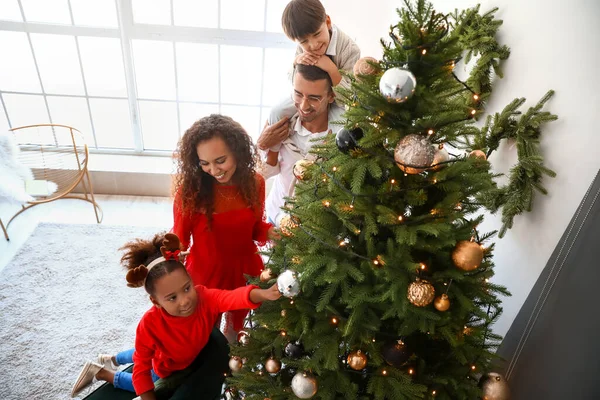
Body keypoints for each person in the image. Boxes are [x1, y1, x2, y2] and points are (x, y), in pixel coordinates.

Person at [71, 233, 281, 399]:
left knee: (140, 351)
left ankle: (112, 358)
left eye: (187, 288)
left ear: (191, 279)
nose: (185, 300)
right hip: (165, 366)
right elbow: (141, 369)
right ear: (156, 302)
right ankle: (100, 372)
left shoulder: (204, 297)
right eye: (172, 298)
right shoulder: (150, 324)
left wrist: (262, 293)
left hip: (179, 353)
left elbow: (232, 297)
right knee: (145, 380)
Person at [172, 114, 278, 341]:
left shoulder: (255, 182)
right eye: (204, 163)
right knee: (203, 338)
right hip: (206, 277)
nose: (214, 170)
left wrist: (271, 232)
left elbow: (254, 228)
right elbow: (179, 242)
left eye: (220, 160)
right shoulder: (190, 193)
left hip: (245, 271)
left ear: (238, 153)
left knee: (237, 337)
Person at [263, 0, 361, 153]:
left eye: (317, 34)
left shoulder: (349, 49)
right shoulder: (301, 48)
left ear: (327, 22)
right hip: (307, 95)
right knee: (276, 111)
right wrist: (296, 62)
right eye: (304, 41)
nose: (313, 45)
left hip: (337, 100)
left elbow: (349, 98)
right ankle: (273, 153)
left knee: (345, 127)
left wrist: (331, 69)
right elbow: (292, 80)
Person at [259, 64, 345, 226]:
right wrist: (262, 144)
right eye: (298, 94)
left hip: (316, 228)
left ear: (331, 97)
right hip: (276, 216)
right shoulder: (280, 126)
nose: (304, 106)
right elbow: (267, 169)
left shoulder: (339, 139)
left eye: (314, 98)